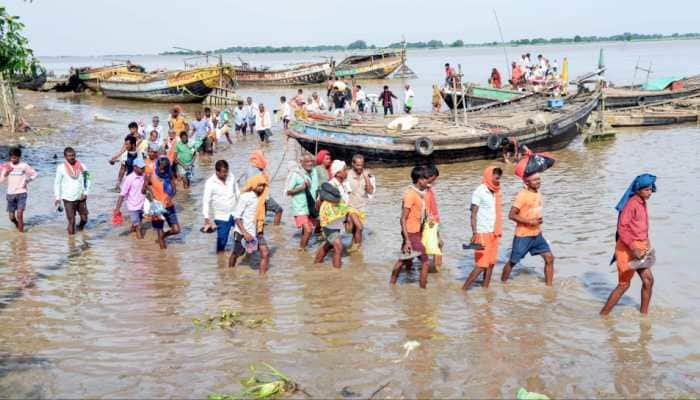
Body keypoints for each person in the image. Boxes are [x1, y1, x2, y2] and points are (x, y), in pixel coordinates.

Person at [600, 174, 657, 316]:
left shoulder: (642, 202)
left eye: (650, 189)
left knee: (648, 280)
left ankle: (644, 316)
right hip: (627, 248)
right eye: (646, 190)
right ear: (638, 190)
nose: (649, 192)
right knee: (624, 285)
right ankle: (603, 315)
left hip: (640, 248)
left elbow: (640, 227)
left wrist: (647, 242)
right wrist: (634, 248)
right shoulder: (631, 204)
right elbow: (622, 229)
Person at [500, 172, 555, 286]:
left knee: (549, 258)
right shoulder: (522, 195)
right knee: (513, 262)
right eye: (535, 180)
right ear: (527, 182)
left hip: (537, 234)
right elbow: (511, 215)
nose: (538, 182)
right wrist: (530, 221)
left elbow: (533, 211)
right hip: (523, 235)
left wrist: (537, 220)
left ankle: (549, 288)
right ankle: (503, 284)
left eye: (538, 179)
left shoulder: (538, 193)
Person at [462, 166, 503, 291]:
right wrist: (474, 232)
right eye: (495, 174)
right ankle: (463, 290)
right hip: (482, 232)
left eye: (499, 175)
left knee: (491, 264)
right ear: (488, 175)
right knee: (481, 265)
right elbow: (473, 213)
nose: (497, 177)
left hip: (494, 231)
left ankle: (486, 289)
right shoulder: (479, 191)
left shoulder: (497, 192)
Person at [390, 165, 431, 288]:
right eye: (426, 179)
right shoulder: (410, 195)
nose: (428, 181)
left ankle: (392, 284)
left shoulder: (420, 194)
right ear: (419, 180)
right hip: (411, 233)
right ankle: (423, 290)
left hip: (416, 232)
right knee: (425, 261)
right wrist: (407, 240)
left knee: (405, 259)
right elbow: (403, 218)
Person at [229, 174, 270, 275]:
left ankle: (262, 280)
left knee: (265, 253)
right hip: (243, 232)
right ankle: (229, 273)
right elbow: (237, 217)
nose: (261, 188)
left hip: (257, 232)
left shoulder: (263, 198)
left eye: (263, 185)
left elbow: (261, 217)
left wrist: (261, 231)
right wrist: (245, 233)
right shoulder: (245, 197)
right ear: (253, 184)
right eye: (259, 185)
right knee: (237, 253)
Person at [203, 160, 240, 253]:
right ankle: (220, 261)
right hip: (221, 216)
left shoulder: (231, 176)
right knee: (222, 242)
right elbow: (206, 201)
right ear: (217, 172)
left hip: (235, 212)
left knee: (246, 232)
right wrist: (206, 219)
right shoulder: (210, 183)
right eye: (223, 172)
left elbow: (237, 192)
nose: (226, 174)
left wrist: (242, 208)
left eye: (227, 171)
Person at [143, 157, 180, 249]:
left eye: (164, 168)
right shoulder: (151, 174)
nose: (162, 170)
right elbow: (143, 189)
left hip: (168, 205)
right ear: (158, 166)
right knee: (159, 230)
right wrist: (151, 194)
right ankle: (163, 257)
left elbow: (174, 189)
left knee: (176, 229)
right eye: (161, 168)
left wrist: (170, 197)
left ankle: (162, 236)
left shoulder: (169, 174)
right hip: (157, 207)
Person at [54, 147, 91, 235]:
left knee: (84, 219)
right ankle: (71, 244)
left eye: (73, 155)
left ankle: (80, 229)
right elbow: (57, 183)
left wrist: (85, 192)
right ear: (65, 157)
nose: (72, 157)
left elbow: (88, 178)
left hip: (80, 197)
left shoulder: (82, 166)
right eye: (69, 156)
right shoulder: (61, 168)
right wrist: (57, 197)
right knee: (72, 221)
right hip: (68, 198)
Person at [0, 147, 38, 232]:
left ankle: (21, 236)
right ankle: (17, 224)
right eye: (11, 157)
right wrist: (7, 173)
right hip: (10, 194)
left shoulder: (24, 166)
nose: (13, 159)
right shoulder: (7, 166)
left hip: (22, 193)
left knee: (20, 214)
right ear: (9, 157)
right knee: (12, 217)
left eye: (15, 157)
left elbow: (35, 174)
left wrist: (27, 181)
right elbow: (1, 180)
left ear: (19, 157)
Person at [286, 154, 317, 251]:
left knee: (307, 231)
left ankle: (304, 250)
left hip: (310, 206)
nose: (310, 163)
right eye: (307, 162)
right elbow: (288, 191)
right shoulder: (296, 175)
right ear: (301, 163)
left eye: (311, 161)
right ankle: (301, 250)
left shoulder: (313, 173)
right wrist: (301, 188)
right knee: (308, 230)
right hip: (300, 207)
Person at [246, 150, 283, 225]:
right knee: (279, 210)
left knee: (261, 216)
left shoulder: (253, 168)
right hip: (262, 196)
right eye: (262, 156)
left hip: (258, 196)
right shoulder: (253, 170)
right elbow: (254, 186)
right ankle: (276, 231)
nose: (264, 158)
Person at [346, 154, 375, 251]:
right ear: (352, 164)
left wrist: (366, 178)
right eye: (358, 165)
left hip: (361, 207)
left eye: (362, 165)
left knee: (357, 230)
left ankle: (356, 251)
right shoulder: (347, 175)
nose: (360, 167)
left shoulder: (368, 176)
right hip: (349, 206)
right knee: (359, 227)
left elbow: (370, 191)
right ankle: (355, 246)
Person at [114, 158, 146, 239]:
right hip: (133, 206)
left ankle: (132, 230)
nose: (143, 169)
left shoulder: (144, 175)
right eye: (141, 167)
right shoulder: (129, 178)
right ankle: (140, 243)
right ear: (135, 167)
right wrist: (117, 209)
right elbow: (122, 195)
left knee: (139, 222)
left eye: (143, 167)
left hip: (142, 205)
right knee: (139, 226)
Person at [424, 164, 443, 270]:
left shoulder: (428, 189)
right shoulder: (425, 190)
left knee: (438, 244)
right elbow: (426, 208)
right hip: (430, 222)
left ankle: (436, 267)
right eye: (434, 179)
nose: (434, 181)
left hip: (433, 221)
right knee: (438, 244)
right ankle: (437, 267)